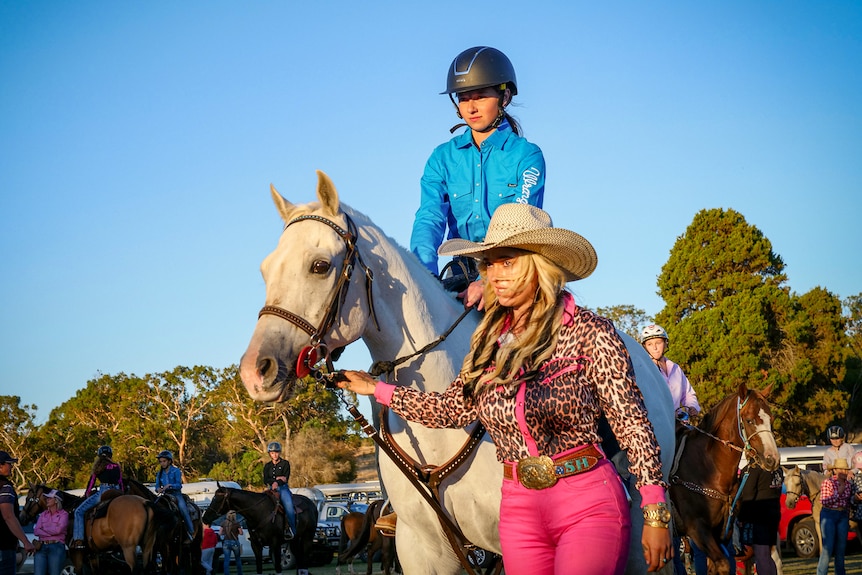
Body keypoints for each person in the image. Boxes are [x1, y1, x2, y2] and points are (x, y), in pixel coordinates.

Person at [342, 204, 672, 574]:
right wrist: (378, 390)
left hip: (587, 503)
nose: (494, 275)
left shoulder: (591, 333)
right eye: (489, 264)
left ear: (539, 264)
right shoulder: (488, 344)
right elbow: (453, 410)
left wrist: (656, 510)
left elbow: (632, 423)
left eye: (507, 262)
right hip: (518, 510)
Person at [410, 46, 545, 310]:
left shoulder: (527, 155)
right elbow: (429, 217)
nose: (471, 107)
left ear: (504, 97)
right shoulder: (442, 157)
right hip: (460, 269)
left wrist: (489, 279)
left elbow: (520, 226)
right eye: (463, 97)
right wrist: (424, 275)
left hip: (514, 268)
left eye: (481, 96)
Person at [639, 324, 701, 422]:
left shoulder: (676, 368)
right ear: (645, 347)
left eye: (658, 342)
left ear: (666, 343)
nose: (654, 348)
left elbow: (688, 394)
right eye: (649, 344)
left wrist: (692, 407)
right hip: (657, 424)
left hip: (680, 421)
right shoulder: (644, 371)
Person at [71, 445, 124, 549]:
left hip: (104, 491)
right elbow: (120, 482)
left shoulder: (98, 467)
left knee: (79, 511)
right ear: (110, 455)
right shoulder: (117, 466)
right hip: (117, 492)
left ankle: (78, 539)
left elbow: (91, 483)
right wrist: (122, 493)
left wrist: (87, 494)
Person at [737, 465, 783, 575]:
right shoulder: (777, 469)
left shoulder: (753, 469)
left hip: (758, 516)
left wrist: (741, 517)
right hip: (774, 513)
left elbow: (748, 495)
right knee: (768, 555)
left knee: (761, 555)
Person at [817, 458, 856, 575]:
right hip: (829, 514)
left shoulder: (849, 485)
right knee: (827, 547)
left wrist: (855, 500)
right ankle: (821, 573)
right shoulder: (827, 482)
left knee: (841, 548)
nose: (843, 472)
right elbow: (824, 501)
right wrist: (838, 492)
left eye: (845, 469)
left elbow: (849, 502)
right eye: (841, 469)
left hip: (842, 515)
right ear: (835, 470)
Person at [0, 451, 35, 575]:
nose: (11, 467)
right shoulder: (5, 487)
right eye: (9, 464)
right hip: (3, 545)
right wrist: (25, 541)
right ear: (0, 466)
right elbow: (8, 516)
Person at [154, 450, 194, 541]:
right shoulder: (159, 473)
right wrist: (158, 489)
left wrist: (170, 485)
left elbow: (179, 485)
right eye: (160, 462)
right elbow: (156, 486)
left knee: (183, 509)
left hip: (176, 494)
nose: (162, 463)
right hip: (165, 495)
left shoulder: (176, 471)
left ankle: (191, 531)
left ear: (169, 461)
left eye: (164, 461)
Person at [263, 442, 295, 540]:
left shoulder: (285, 463)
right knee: (262, 505)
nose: (275, 455)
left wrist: (277, 482)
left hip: (283, 488)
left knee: (289, 506)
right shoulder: (267, 466)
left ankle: (292, 530)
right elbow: (265, 479)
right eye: (272, 453)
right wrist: (276, 481)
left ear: (279, 453)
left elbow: (285, 478)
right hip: (271, 489)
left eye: (276, 452)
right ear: (269, 454)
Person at [32, 489, 68, 575]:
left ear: (56, 500)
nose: (47, 500)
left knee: (55, 573)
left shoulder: (64, 514)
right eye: (47, 498)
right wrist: (50, 531)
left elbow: (58, 530)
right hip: (41, 547)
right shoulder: (43, 514)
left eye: (49, 498)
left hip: (56, 547)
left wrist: (43, 529)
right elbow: (36, 531)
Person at [220, 510, 243, 575]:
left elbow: (220, 533)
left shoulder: (223, 523)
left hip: (226, 542)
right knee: (238, 559)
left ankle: (226, 574)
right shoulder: (236, 523)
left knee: (226, 560)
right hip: (235, 542)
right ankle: (240, 573)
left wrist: (225, 532)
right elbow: (241, 533)